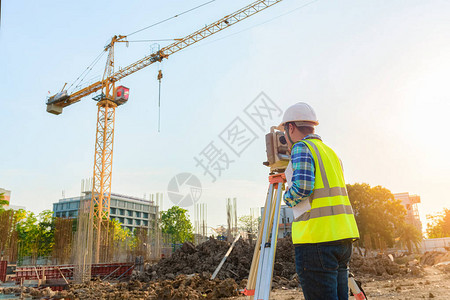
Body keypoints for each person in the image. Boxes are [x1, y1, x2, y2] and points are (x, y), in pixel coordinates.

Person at [278, 102, 360, 300]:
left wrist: (286, 196)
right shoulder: (330, 152)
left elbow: (302, 189)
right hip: (342, 239)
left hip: (317, 241)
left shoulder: (301, 148)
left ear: (291, 128)